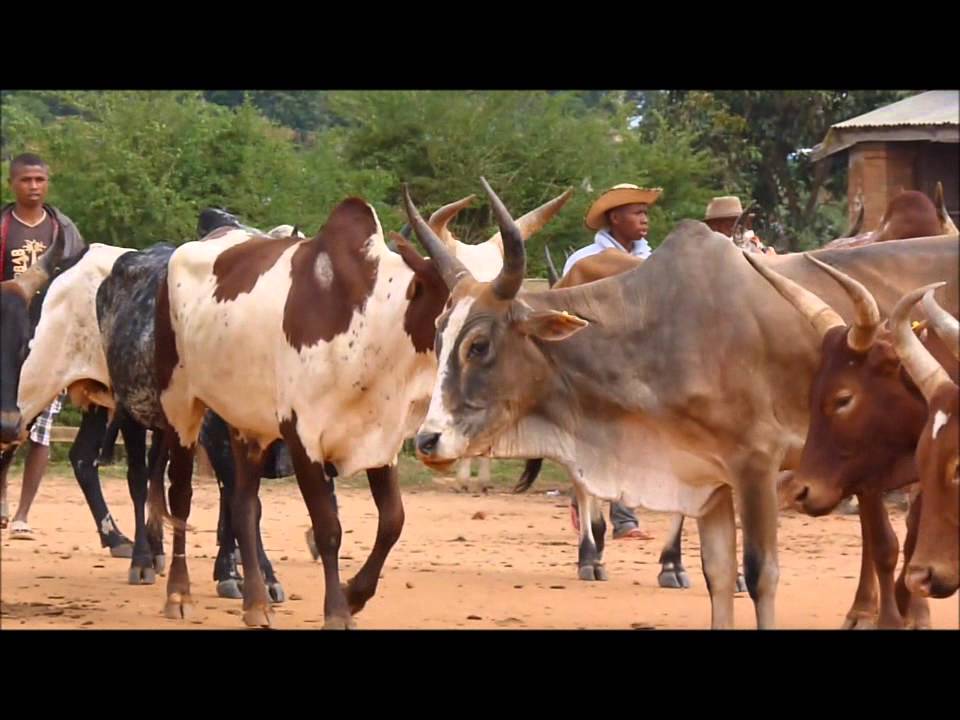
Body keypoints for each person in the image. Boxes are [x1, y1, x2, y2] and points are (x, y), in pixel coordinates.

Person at [562, 183, 664, 540]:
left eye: (645, 213)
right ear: (615, 218)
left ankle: (624, 519)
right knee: (593, 438)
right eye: (637, 213)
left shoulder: (654, 262)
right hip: (591, 363)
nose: (644, 219)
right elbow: (566, 309)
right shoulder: (583, 262)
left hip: (636, 361)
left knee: (631, 436)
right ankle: (585, 502)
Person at [1, 153, 85, 539]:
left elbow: (79, 280)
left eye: (39, 180)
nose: (33, 186)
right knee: (4, 420)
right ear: (11, 183)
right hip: (4, 338)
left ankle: (22, 514)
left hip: (49, 342)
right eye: (25, 180)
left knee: (41, 430)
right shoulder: (3, 226)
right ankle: (1, 499)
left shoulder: (62, 230)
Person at [703, 195, 775, 255]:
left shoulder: (751, 243)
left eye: (735, 221)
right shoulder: (704, 248)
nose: (733, 226)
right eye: (727, 223)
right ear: (713, 226)